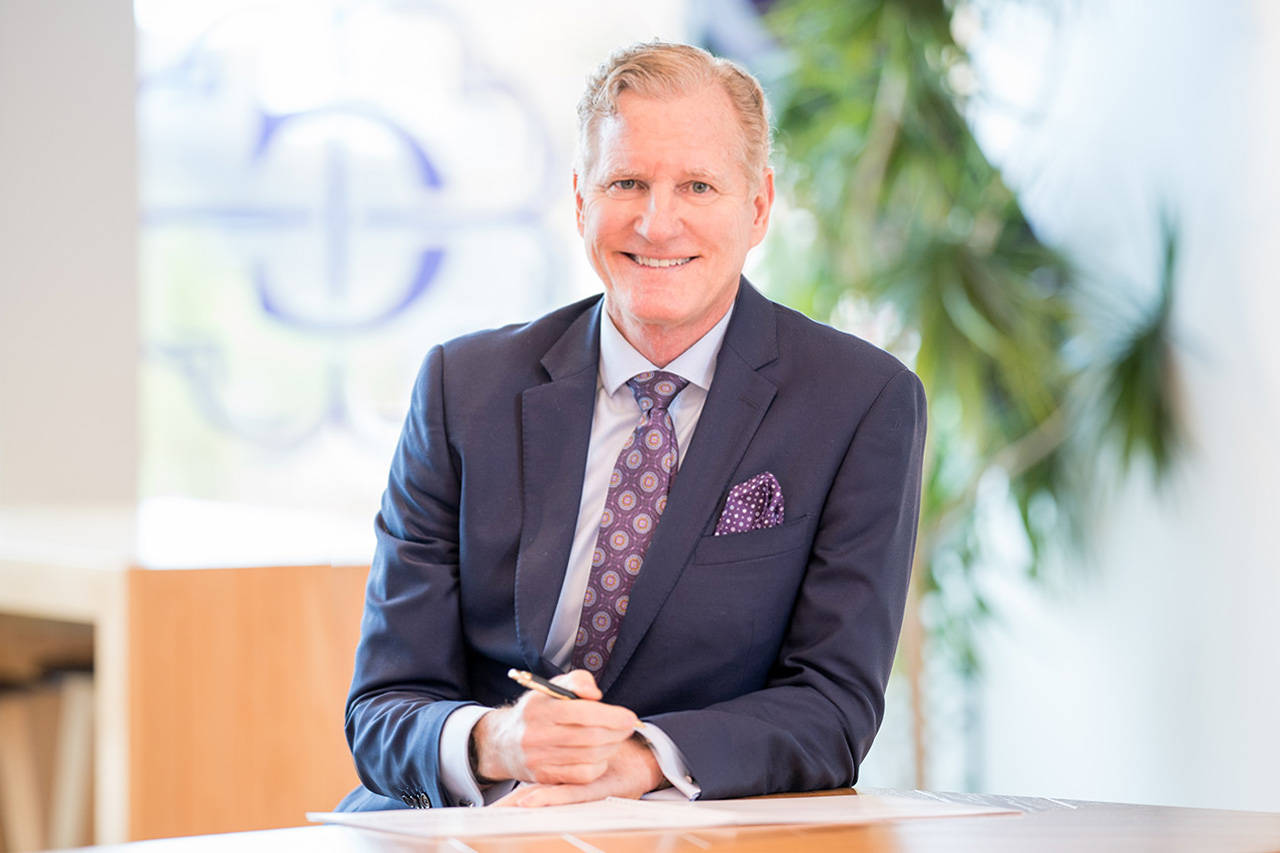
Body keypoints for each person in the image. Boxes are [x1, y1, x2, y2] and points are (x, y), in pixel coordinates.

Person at [338, 40, 926, 811]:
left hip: (691, 819)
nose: (657, 222)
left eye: (698, 185)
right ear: (581, 200)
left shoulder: (861, 401)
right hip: (468, 818)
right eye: (627, 182)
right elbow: (382, 705)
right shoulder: (463, 388)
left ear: (758, 207)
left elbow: (833, 706)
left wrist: (639, 759)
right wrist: (497, 740)